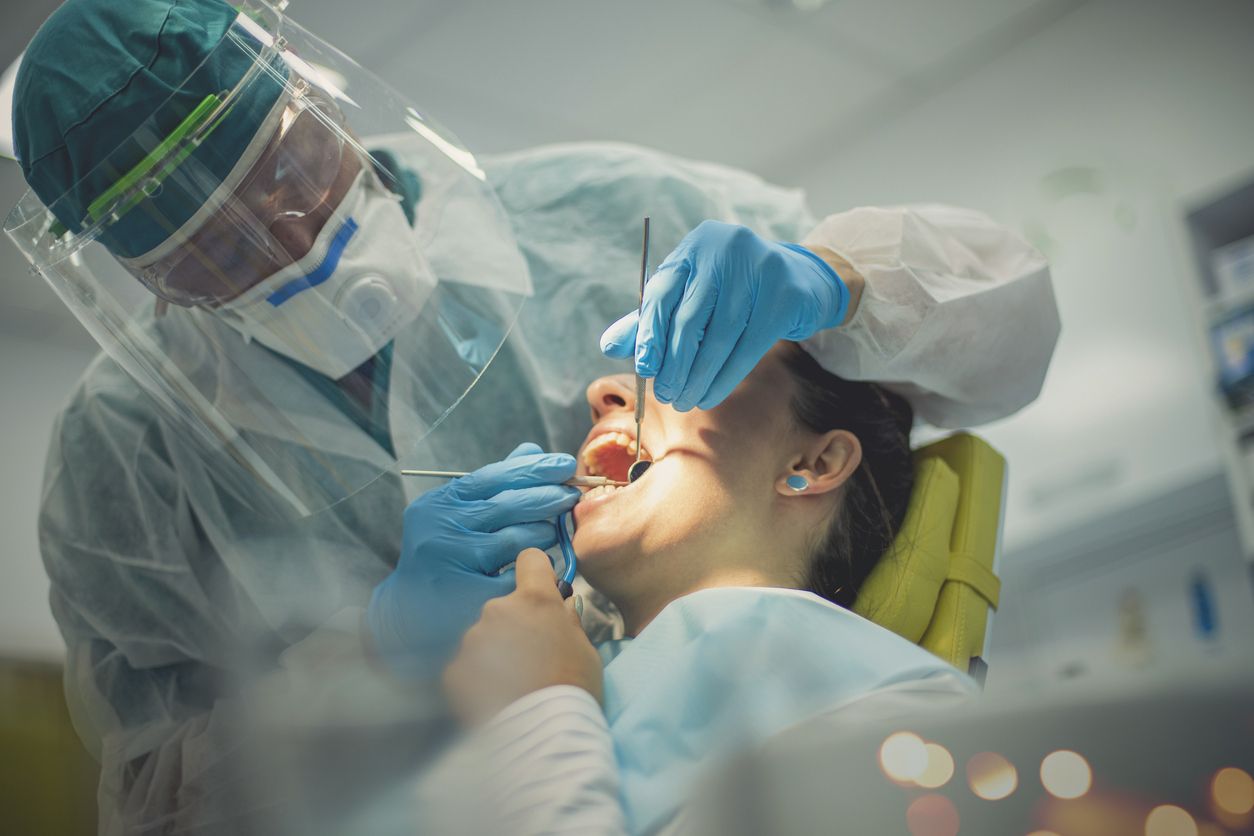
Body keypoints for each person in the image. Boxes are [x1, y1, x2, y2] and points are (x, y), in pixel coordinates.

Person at [3, 0, 1059, 831]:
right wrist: (375, 656)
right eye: (209, 245)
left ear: (312, 96)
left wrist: (833, 281)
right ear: (139, 270)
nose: (276, 235)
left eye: (280, 168)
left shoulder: (591, 212)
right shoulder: (130, 453)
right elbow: (157, 812)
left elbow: (1004, 330)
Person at [435, 344, 977, 834]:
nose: (602, 392)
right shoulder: (567, 673)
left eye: (696, 360)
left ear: (814, 464)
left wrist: (536, 718)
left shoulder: (908, 717)